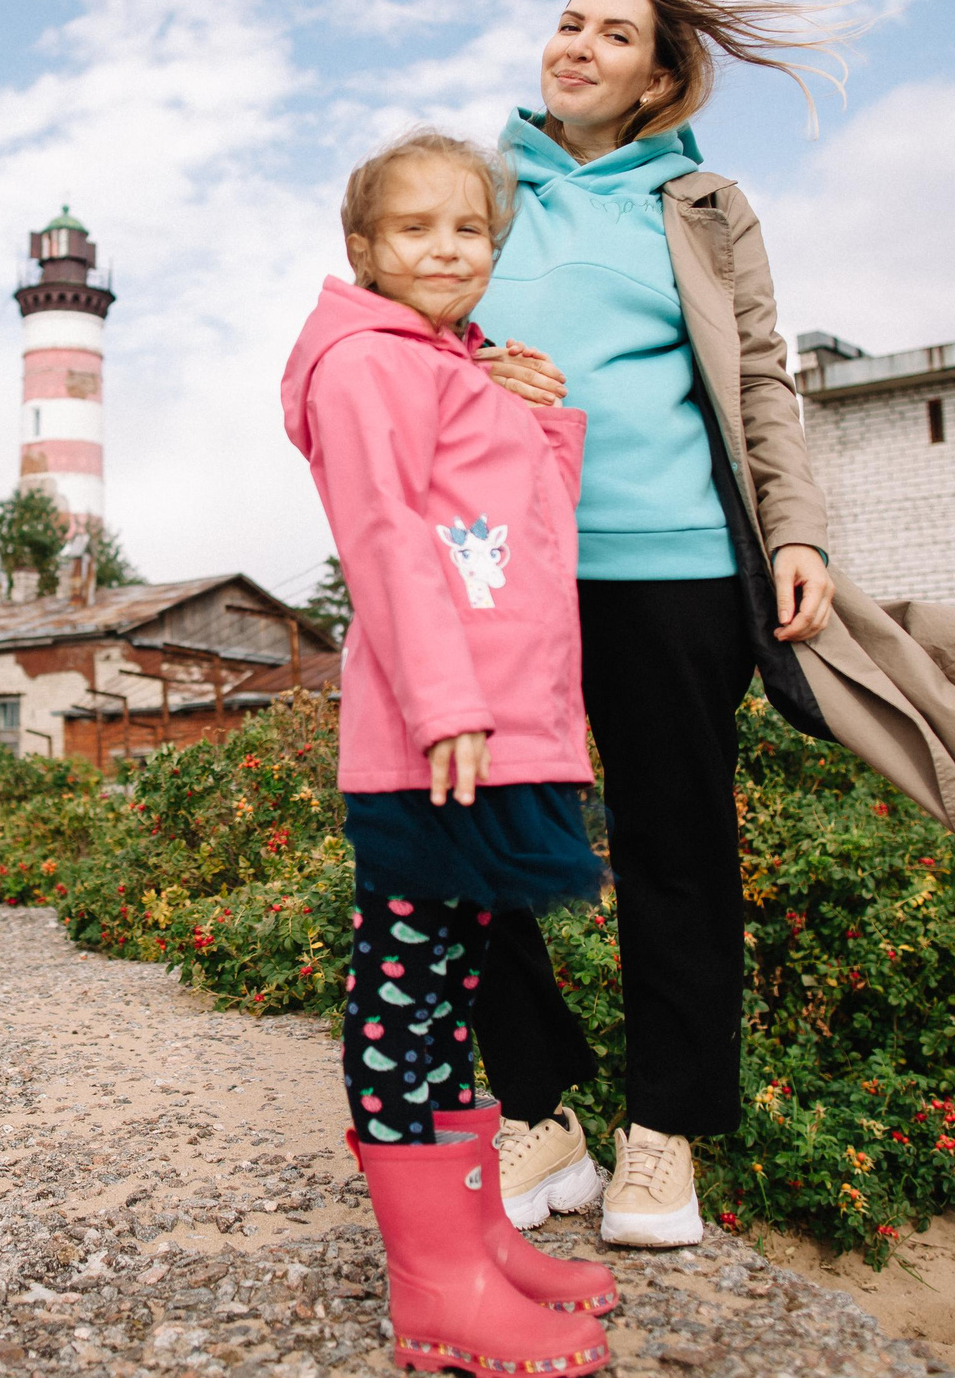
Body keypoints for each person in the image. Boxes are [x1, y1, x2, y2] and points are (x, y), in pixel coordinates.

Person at [468, 0, 955, 1251]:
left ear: (659, 79)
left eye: (612, 32)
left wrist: (798, 535)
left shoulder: (705, 207)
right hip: (496, 563)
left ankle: (663, 1134)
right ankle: (537, 1108)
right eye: (569, 20)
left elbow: (761, 380)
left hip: (671, 564)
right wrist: (464, 376)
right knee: (468, 828)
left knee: (674, 846)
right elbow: (403, 338)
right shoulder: (480, 191)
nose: (576, 45)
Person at [280, 129, 616, 1377]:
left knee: (454, 986)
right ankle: (434, 1284)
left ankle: (475, 1240)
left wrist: (534, 417)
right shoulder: (367, 361)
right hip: (436, 733)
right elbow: (381, 534)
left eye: (468, 229)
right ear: (362, 249)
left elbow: (519, 536)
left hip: (491, 721)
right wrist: (442, 705)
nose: (445, 249)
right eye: (414, 229)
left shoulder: (449, 364)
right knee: (405, 989)